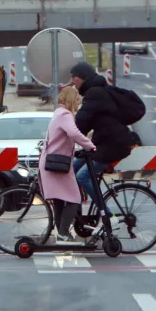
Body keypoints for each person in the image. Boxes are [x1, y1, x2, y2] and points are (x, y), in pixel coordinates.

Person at [69, 61, 134, 218]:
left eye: (74, 77)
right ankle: (77, 210)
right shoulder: (96, 91)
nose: (72, 81)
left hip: (113, 145)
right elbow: (87, 123)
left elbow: (82, 120)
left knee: (82, 176)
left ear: (82, 77)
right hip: (102, 144)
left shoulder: (94, 93)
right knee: (72, 168)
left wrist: (68, 136)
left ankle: (107, 214)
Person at [39, 86, 96, 243]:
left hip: (51, 163)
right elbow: (73, 133)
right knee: (75, 198)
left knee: (59, 199)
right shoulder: (66, 115)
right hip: (58, 164)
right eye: (77, 100)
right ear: (71, 100)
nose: (78, 103)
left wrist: (76, 150)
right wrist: (90, 146)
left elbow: (62, 139)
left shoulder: (58, 113)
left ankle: (62, 234)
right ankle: (63, 233)